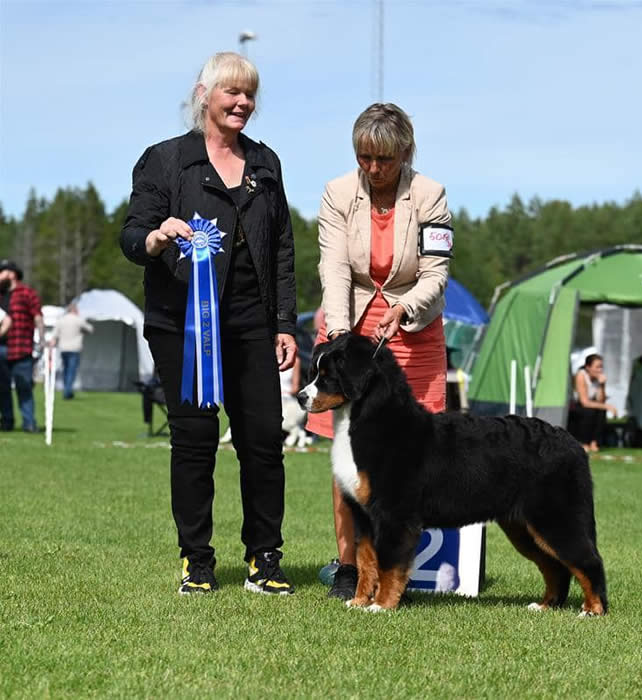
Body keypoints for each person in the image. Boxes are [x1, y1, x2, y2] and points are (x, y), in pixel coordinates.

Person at [120, 51, 298, 596]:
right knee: (195, 442)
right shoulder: (165, 160)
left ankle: (264, 558)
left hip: (251, 321)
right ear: (205, 94)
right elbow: (133, 233)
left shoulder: (266, 164)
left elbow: (283, 249)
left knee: (264, 440)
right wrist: (153, 239)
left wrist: (285, 324)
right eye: (232, 93)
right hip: (182, 324)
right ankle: (197, 560)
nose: (242, 102)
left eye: (249, 94)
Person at [307, 103, 453, 600]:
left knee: (413, 458)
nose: (372, 168)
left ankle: (397, 572)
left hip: (412, 331)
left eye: (384, 160)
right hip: (350, 329)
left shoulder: (431, 196)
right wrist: (343, 340)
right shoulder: (337, 193)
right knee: (350, 454)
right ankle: (350, 570)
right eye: (364, 157)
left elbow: (434, 274)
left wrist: (405, 307)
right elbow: (334, 270)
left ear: (406, 152)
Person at [0, 259, 44, 433]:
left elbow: (38, 317)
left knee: (24, 386)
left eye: (1, 272)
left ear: (12, 274)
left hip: (21, 347)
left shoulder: (27, 293)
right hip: (1, 348)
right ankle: (7, 421)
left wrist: (41, 340)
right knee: (2, 388)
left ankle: (29, 422)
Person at [568, 353, 617, 452]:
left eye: (601, 367)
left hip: (589, 406)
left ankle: (594, 442)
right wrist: (608, 406)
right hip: (576, 406)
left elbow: (600, 400)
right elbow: (584, 402)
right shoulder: (581, 375)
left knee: (601, 412)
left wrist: (602, 385)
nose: (600, 370)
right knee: (589, 412)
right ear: (588, 367)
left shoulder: (598, 379)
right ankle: (584, 442)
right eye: (597, 367)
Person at [51, 303, 94, 399]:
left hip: (63, 348)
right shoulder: (78, 320)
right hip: (74, 349)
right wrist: (83, 331)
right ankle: (67, 391)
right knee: (71, 370)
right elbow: (90, 329)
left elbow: (54, 334)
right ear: (75, 310)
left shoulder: (61, 320)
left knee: (66, 370)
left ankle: (67, 389)